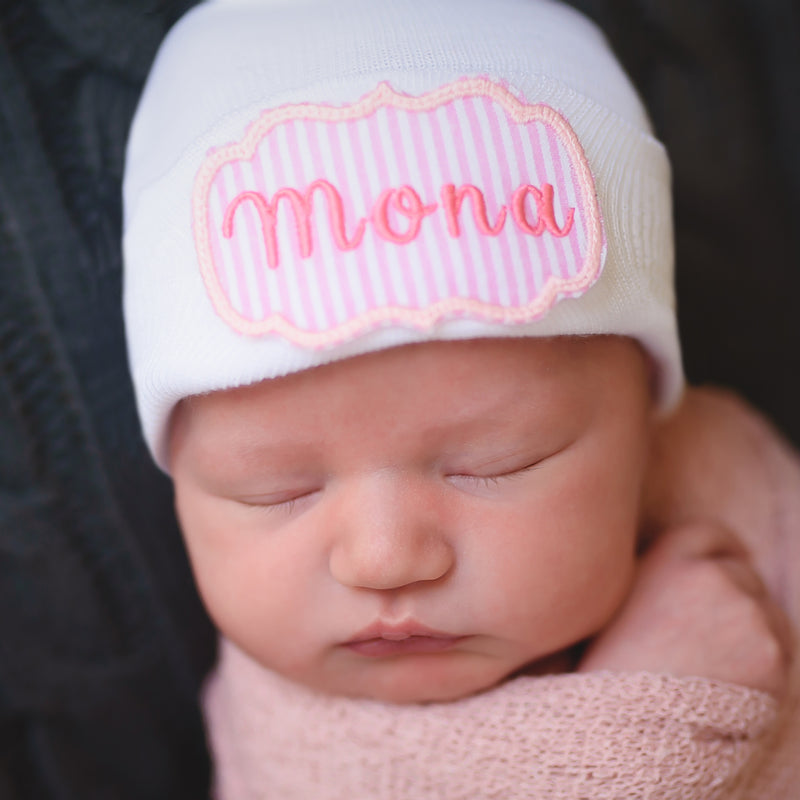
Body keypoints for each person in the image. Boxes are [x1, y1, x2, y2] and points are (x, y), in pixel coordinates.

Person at [121, 0, 799, 796]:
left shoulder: (732, 480)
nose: (384, 559)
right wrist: (648, 722)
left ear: (647, 425)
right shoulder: (291, 731)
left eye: (495, 463)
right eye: (277, 492)